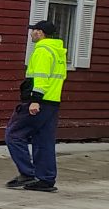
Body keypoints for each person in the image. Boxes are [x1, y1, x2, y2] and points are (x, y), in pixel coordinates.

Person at [5, 17, 68, 192]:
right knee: (44, 141)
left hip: (38, 102)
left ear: (40, 33)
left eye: (33, 30)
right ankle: (46, 179)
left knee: (14, 134)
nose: (31, 33)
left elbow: (41, 78)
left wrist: (35, 101)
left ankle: (27, 173)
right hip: (53, 102)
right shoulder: (58, 52)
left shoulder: (42, 51)